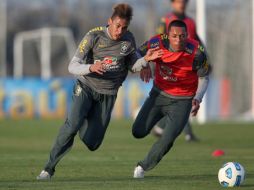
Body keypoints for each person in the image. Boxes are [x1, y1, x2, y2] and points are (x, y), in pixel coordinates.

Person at [36, 3, 163, 180]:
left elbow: (133, 66)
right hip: (86, 86)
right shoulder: (93, 36)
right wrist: (91, 67)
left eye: (124, 27)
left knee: (93, 143)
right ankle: (48, 169)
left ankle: (81, 120)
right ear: (109, 21)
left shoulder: (128, 39)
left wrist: (145, 60)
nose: (120, 31)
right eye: (117, 26)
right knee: (71, 126)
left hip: (108, 94)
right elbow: (72, 66)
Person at [132, 20, 210, 178]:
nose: (178, 40)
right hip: (158, 95)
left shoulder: (197, 52)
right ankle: (158, 125)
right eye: (174, 36)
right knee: (137, 132)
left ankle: (142, 167)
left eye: (182, 36)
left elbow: (204, 77)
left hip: (183, 100)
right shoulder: (156, 42)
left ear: (187, 36)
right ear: (168, 35)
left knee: (168, 139)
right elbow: (136, 54)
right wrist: (145, 63)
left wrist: (198, 98)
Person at [150, 0, 205, 142]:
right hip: (171, 66)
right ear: (172, 3)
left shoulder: (190, 22)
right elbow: (158, 40)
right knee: (180, 99)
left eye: (184, 2)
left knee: (185, 99)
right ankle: (183, 132)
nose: (182, 4)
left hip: (189, 65)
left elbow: (198, 43)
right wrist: (154, 63)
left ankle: (163, 126)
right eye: (178, 2)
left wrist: (206, 60)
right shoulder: (166, 20)